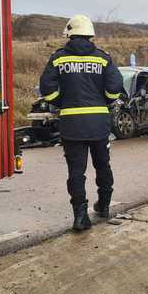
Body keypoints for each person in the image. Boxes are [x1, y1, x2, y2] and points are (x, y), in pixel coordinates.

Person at [39, 15, 124, 231]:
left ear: (70, 33)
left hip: (72, 124)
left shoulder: (58, 58)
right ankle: (104, 205)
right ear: (90, 34)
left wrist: (63, 102)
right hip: (99, 123)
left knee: (76, 171)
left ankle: (80, 216)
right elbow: (115, 87)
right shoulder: (103, 58)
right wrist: (104, 101)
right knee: (102, 165)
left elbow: (47, 89)